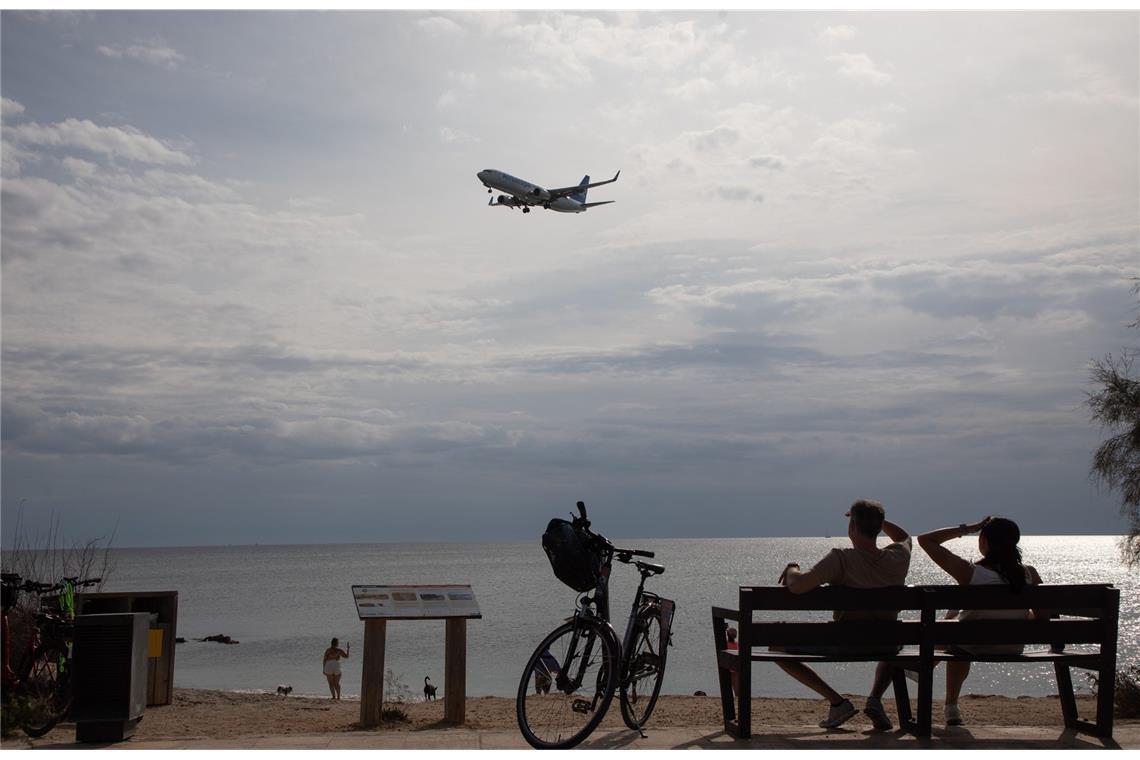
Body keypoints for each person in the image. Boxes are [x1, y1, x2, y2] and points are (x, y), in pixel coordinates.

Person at [775, 499, 912, 730]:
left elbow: (797, 585)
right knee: (891, 638)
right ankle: (874, 699)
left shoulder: (841, 559)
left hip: (845, 643)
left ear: (852, 527)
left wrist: (792, 568)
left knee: (776, 647)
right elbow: (904, 537)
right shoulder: (899, 557)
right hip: (887, 644)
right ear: (879, 528)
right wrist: (876, 520)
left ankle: (837, 702)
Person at [917, 516, 1041, 726]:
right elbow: (1042, 618)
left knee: (954, 628)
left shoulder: (971, 573)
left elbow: (925, 540)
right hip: (1012, 646)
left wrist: (967, 528)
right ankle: (944, 698)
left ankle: (948, 703)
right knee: (957, 626)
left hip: (971, 645)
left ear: (984, 540)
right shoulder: (1030, 574)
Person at [725, 627, 740, 697]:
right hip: (736, 667)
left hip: (727, 667)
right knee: (736, 685)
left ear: (727, 635)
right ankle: (737, 696)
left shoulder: (725, 644)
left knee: (728, 685)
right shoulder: (737, 644)